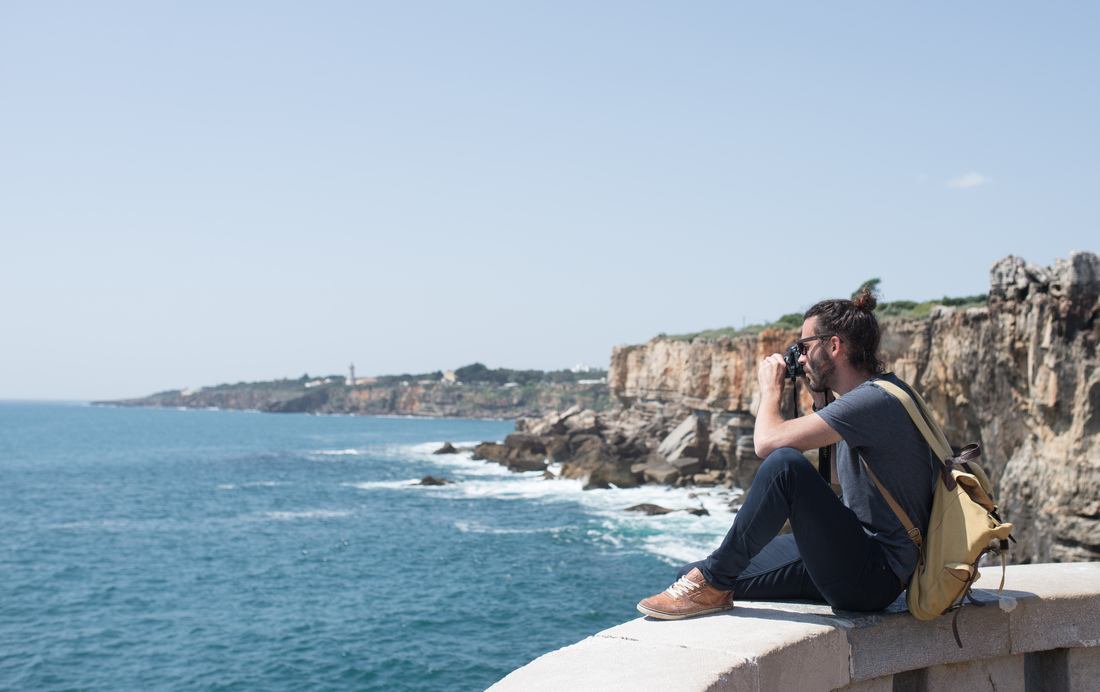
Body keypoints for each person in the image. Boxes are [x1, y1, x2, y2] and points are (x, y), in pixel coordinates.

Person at [636, 288, 937, 619]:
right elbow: (841, 480)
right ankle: (711, 583)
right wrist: (822, 400)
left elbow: (767, 444)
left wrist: (770, 390)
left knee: (785, 465)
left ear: (834, 345)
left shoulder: (872, 401)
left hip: (874, 576)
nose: (802, 358)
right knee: (687, 574)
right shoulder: (881, 392)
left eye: (805, 347)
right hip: (854, 553)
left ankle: (712, 583)